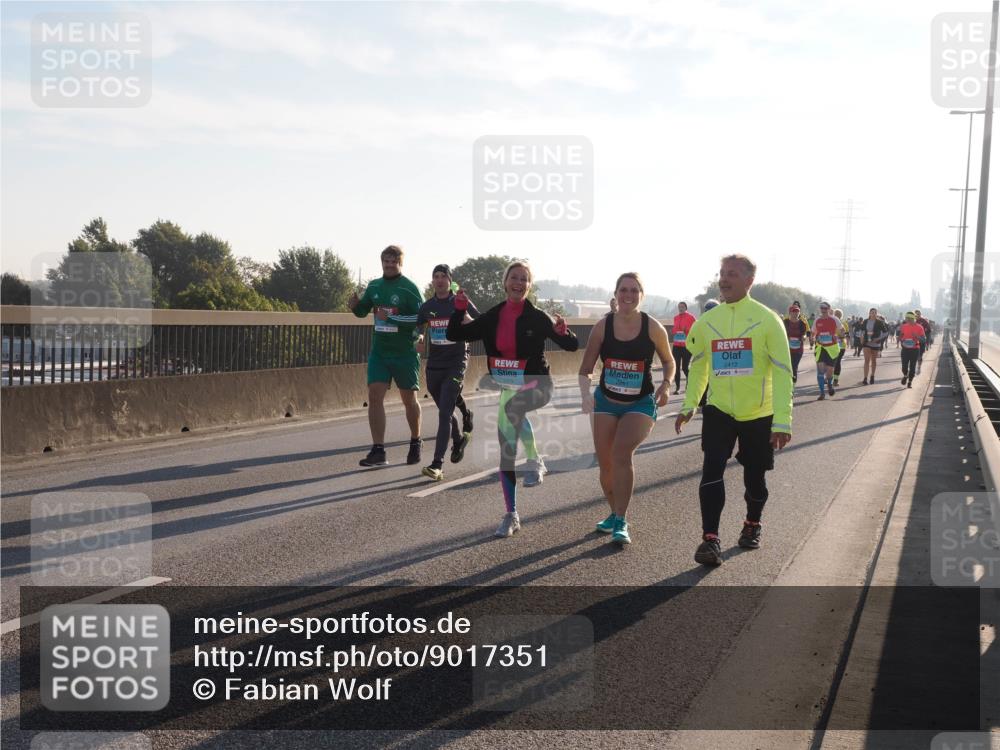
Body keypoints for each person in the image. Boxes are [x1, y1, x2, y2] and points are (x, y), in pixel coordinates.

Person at [675, 254, 793, 566]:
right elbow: (699, 368)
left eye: (732, 274)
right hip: (719, 410)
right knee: (711, 468)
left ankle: (752, 523)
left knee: (754, 479)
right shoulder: (707, 323)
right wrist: (689, 405)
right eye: (722, 273)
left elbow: (783, 372)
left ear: (749, 280)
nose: (724, 279)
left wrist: (783, 420)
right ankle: (710, 539)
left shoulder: (768, 321)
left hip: (759, 413)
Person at [446, 261, 578, 537]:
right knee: (506, 452)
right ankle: (511, 514)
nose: (518, 282)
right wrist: (458, 310)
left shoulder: (538, 317)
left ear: (529, 285)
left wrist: (564, 331)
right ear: (505, 282)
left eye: (524, 279)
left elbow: (570, 346)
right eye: (514, 278)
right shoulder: (493, 316)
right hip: (508, 387)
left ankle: (534, 461)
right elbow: (454, 333)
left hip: (538, 385)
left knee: (515, 410)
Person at [579, 273, 675, 545]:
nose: (628, 295)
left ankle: (621, 520)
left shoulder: (653, 327)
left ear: (641, 295)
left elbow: (669, 361)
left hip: (640, 402)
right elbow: (586, 369)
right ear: (616, 293)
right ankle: (613, 512)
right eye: (623, 290)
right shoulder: (602, 326)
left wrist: (666, 385)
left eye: (634, 290)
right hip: (606, 401)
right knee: (606, 463)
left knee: (622, 453)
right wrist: (585, 393)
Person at [349, 245, 424, 467]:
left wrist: (392, 320)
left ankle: (415, 440)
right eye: (386, 261)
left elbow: (422, 319)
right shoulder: (374, 286)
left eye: (394, 262)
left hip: (405, 353)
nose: (389, 265)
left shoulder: (410, 289)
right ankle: (378, 450)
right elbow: (363, 311)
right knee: (374, 396)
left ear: (401, 263)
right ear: (381, 262)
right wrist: (354, 306)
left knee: (409, 400)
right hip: (380, 352)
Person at [415, 264, 480, 481]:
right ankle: (459, 438)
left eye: (444, 276)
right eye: (436, 276)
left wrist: (469, 322)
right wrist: (420, 337)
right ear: (432, 281)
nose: (440, 280)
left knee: (444, 413)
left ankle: (437, 464)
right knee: (445, 408)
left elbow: (481, 322)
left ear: (449, 280)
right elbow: (418, 326)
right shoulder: (428, 306)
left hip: (456, 360)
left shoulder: (459, 301)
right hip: (434, 364)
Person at [812, 302, 841, 400]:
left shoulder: (834, 319)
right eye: (821, 308)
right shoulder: (817, 320)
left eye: (825, 308)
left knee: (829, 371)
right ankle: (821, 393)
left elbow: (842, 331)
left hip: (832, 349)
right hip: (821, 348)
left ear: (829, 309)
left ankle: (829, 383)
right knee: (820, 371)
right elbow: (812, 332)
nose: (823, 310)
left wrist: (837, 335)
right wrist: (813, 338)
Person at [671, 301, 696, 394]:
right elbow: (674, 330)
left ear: (686, 308)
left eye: (682, 307)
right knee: (676, 367)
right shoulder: (676, 318)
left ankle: (689, 384)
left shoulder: (691, 317)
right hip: (677, 346)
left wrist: (687, 330)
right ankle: (677, 388)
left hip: (686, 346)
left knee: (685, 367)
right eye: (679, 307)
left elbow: (695, 330)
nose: (680, 308)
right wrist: (674, 330)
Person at [898, 312, 926, 388]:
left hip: (915, 349)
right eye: (906, 318)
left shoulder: (919, 327)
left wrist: (917, 336)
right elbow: (900, 336)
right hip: (905, 349)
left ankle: (910, 382)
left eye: (907, 319)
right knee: (904, 366)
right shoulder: (904, 326)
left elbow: (923, 340)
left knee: (912, 367)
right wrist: (901, 341)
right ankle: (905, 375)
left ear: (911, 319)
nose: (906, 320)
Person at [782, 303, 808, 385]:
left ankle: (792, 386)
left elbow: (804, 333)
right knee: (788, 367)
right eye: (794, 311)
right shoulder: (785, 322)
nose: (796, 313)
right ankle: (788, 383)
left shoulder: (802, 323)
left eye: (797, 311)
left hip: (798, 349)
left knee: (794, 366)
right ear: (790, 312)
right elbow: (781, 333)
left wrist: (803, 337)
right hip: (787, 349)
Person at [861, 307, 888, 384]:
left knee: (874, 361)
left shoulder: (879, 322)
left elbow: (885, 333)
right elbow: (862, 330)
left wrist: (878, 339)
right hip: (866, 342)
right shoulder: (865, 321)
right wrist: (861, 337)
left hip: (876, 343)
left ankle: (872, 376)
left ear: (876, 314)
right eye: (872, 312)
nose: (873, 314)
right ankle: (865, 378)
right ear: (869, 313)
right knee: (866, 360)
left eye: (875, 312)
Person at [832, 308, 850, 387]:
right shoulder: (831, 322)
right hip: (832, 345)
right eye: (836, 315)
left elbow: (845, 334)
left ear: (841, 316)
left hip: (841, 345)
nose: (837, 316)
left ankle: (835, 379)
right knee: (832, 362)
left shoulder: (843, 323)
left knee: (837, 361)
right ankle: (832, 378)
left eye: (838, 315)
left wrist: (839, 336)